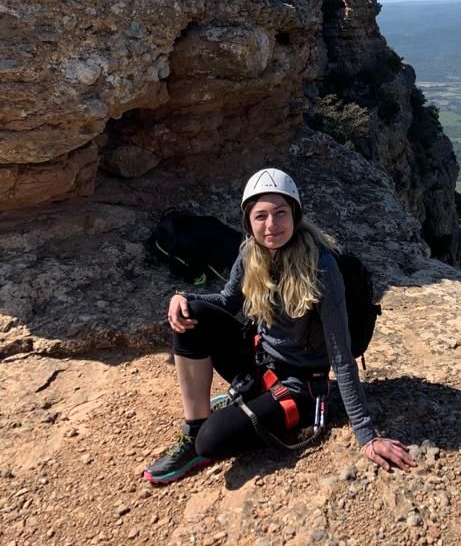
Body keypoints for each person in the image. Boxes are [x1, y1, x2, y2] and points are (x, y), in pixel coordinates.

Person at [144, 168, 416, 485]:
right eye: (260, 216)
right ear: (248, 221)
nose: (271, 225)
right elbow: (227, 300)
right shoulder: (250, 252)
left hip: (301, 385)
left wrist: (367, 435)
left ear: (295, 216)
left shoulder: (322, 268)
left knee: (213, 441)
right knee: (193, 314)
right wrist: (183, 297)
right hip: (260, 362)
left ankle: (218, 427)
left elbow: (341, 356)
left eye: (280, 213)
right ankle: (193, 432)